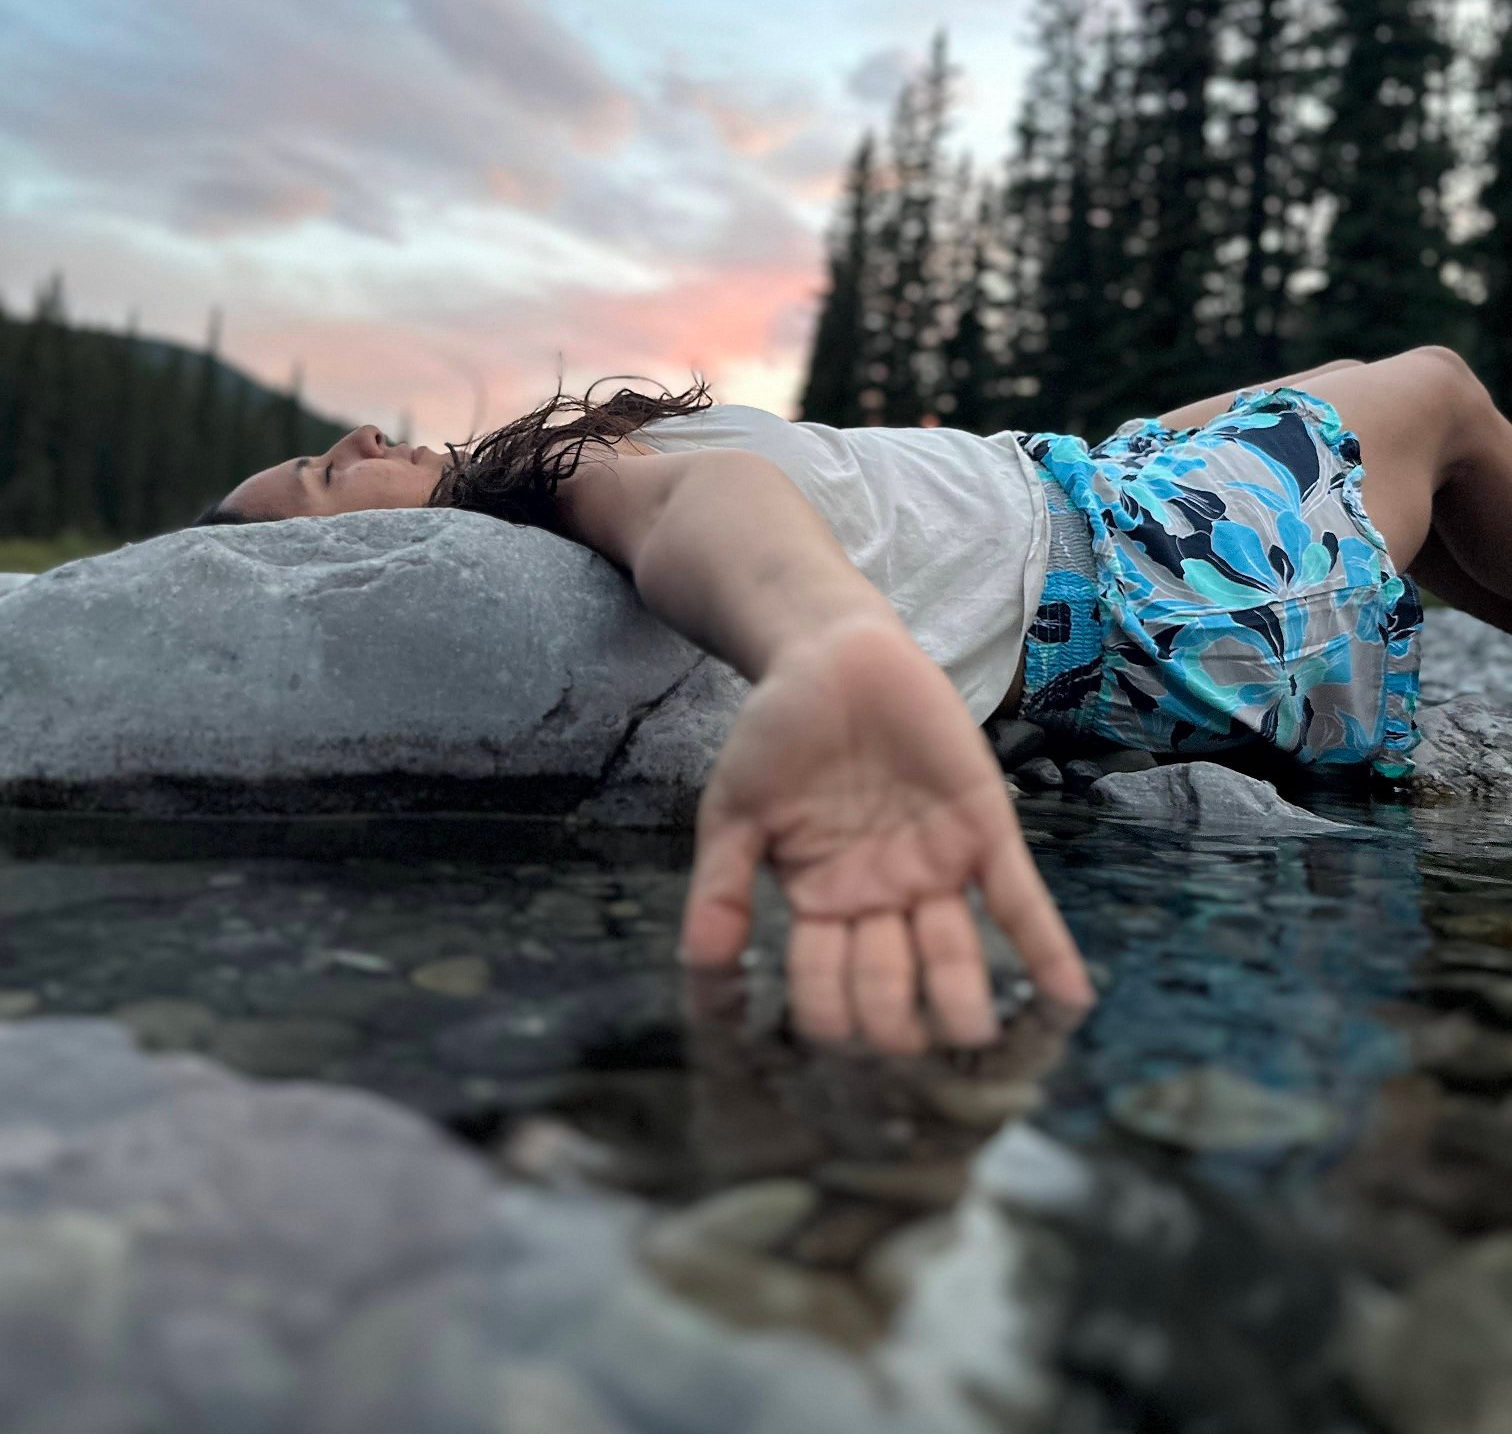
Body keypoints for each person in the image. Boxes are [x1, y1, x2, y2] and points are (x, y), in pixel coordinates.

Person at [197, 343, 1512, 1054]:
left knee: (1352, 414)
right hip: (1165, 560)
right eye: (325, 476)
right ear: (365, 558)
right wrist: (831, 647)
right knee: (1442, 393)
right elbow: (701, 501)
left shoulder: (550, 494)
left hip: (1096, 504)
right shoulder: (551, 497)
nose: (356, 438)